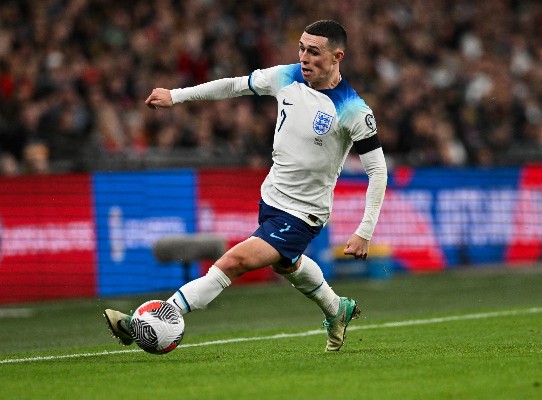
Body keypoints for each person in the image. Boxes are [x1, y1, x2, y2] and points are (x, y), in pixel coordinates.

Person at [104, 20, 387, 352]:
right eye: (301, 48)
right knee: (287, 263)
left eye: (314, 52)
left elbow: (377, 170)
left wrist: (365, 230)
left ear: (337, 56)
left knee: (233, 262)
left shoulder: (354, 110)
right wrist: (175, 96)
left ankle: (148, 322)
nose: (304, 58)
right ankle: (337, 308)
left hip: (304, 213)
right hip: (271, 199)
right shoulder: (287, 76)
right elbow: (233, 86)